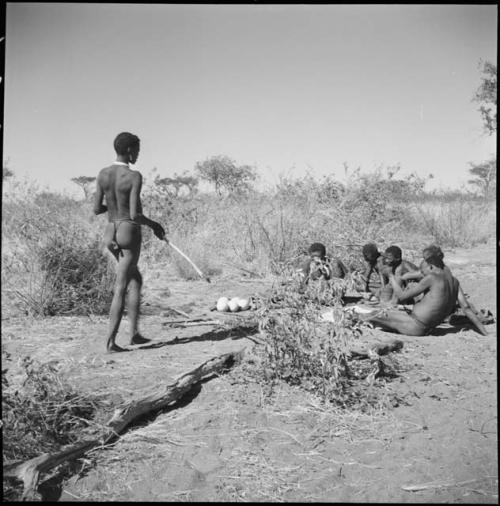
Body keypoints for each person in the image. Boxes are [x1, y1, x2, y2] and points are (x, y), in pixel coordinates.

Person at [94, 132, 166, 352]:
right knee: (121, 285)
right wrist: (155, 225)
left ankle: (134, 334)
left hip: (111, 232)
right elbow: (134, 215)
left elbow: (97, 209)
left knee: (135, 280)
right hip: (128, 231)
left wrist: (116, 208)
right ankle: (110, 342)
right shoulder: (134, 176)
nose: (137, 155)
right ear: (128, 150)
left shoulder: (103, 174)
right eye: (136, 150)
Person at [359, 246, 488, 336]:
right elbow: (466, 307)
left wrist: (391, 276)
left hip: (414, 325)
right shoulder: (454, 281)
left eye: (423, 270)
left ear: (431, 266)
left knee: (372, 315)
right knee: (384, 317)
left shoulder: (432, 277)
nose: (422, 273)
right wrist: (483, 331)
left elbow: (402, 296)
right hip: (428, 328)